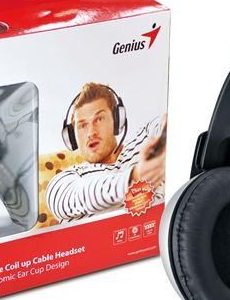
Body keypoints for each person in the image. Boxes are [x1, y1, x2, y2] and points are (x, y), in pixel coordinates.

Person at [46, 83, 166, 222]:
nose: (91, 133)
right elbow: (64, 200)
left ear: (117, 121)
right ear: (72, 138)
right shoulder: (66, 179)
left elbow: (169, 125)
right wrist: (133, 177)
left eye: (99, 119)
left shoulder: (145, 138)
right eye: (82, 125)